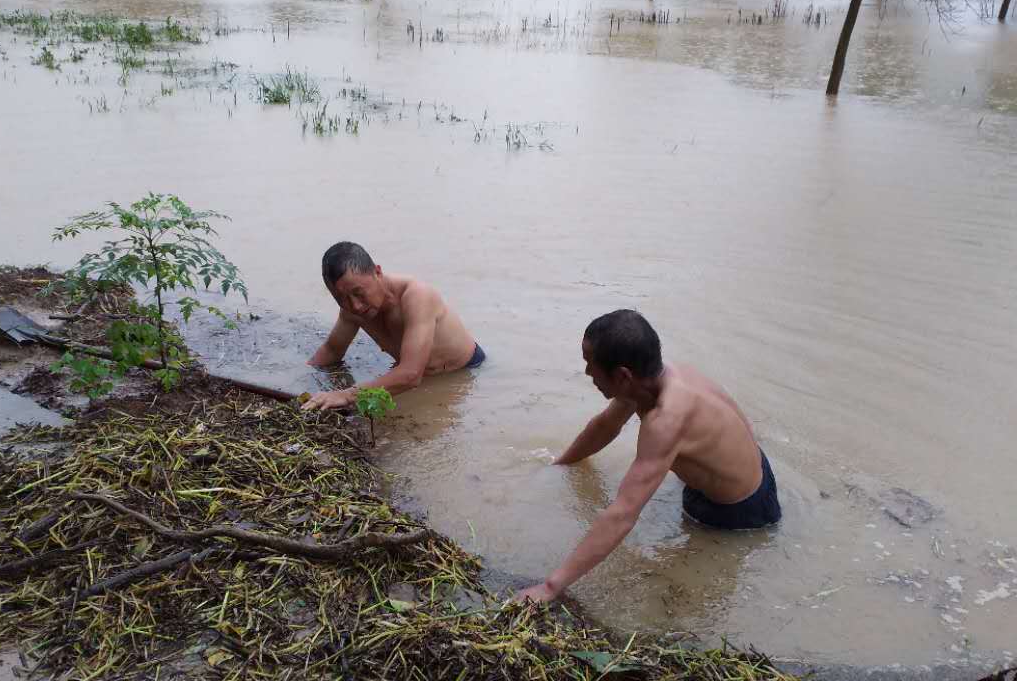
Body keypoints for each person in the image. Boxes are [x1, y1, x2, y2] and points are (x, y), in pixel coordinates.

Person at [517, 309, 781, 603]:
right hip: (751, 467)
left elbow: (623, 514)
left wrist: (550, 587)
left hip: (739, 512)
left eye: (589, 363)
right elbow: (605, 426)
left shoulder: (667, 419)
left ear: (622, 375)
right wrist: (562, 464)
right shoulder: (656, 377)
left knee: (682, 585)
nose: (587, 373)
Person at [306, 242, 485, 411]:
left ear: (377, 272)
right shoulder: (351, 310)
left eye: (358, 293)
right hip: (412, 372)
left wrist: (346, 395)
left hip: (466, 372)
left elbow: (411, 375)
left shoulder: (417, 297)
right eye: (341, 299)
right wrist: (303, 383)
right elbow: (331, 352)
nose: (355, 306)